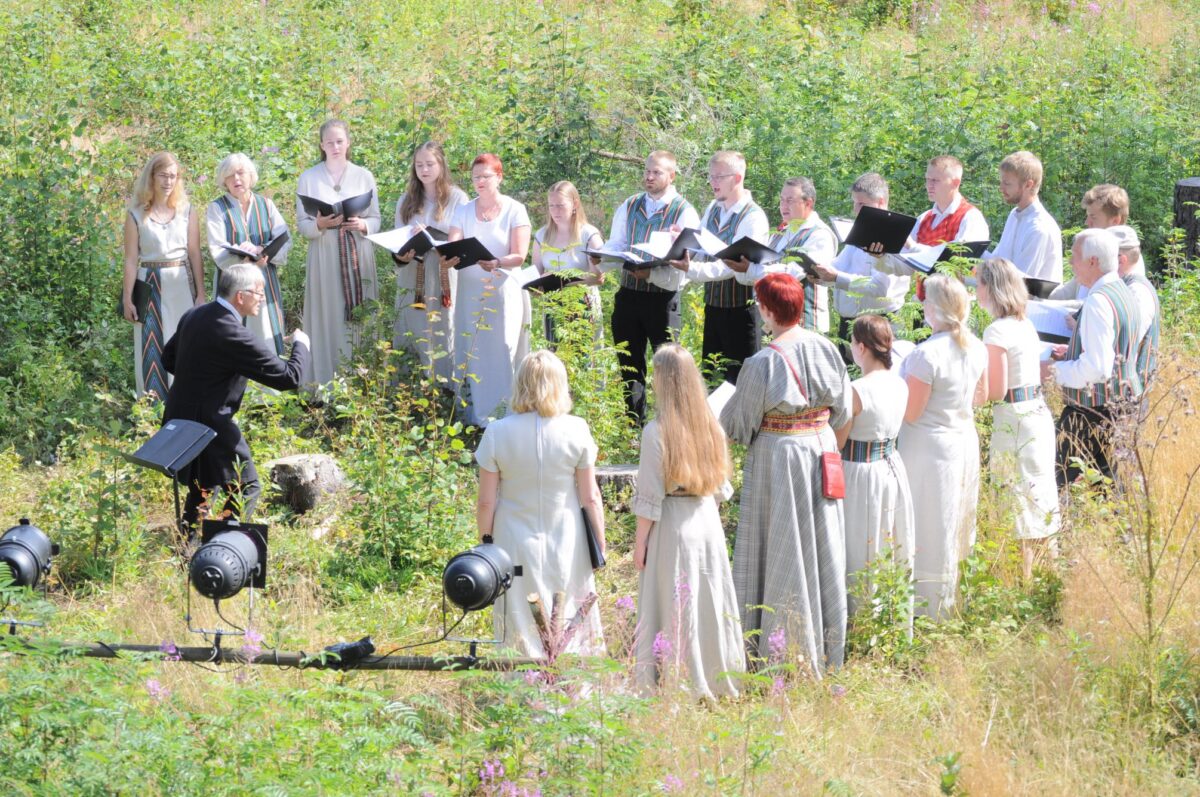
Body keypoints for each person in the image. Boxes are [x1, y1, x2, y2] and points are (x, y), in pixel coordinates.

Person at [720, 273, 852, 676]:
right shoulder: (827, 347)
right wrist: (827, 442)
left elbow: (738, 426)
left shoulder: (761, 363)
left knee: (782, 545)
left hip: (781, 458)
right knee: (821, 545)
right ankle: (826, 647)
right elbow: (846, 409)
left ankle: (778, 652)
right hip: (822, 446)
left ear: (765, 309)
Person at [474, 350, 605, 659]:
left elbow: (485, 501)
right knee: (573, 606)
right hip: (567, 536)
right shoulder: (577, 428)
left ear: (520, 384)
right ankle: (575, 684)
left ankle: (522, 686)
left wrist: (485, 544)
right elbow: (590, 497)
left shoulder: (497, 432)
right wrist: (600, 543)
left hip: (513, 540)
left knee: (517, 609)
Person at [632, 343, 744, 698]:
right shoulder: (710, 425)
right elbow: (723, 488)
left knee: (675, 605)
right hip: (707, 520)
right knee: (708, 603)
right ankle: (715, 676)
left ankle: (679, 682)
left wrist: (640, 544)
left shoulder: (657, 431)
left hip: (674, 523)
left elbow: (650, 495)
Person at [162, 264, 310, 530]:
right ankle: (223, 542)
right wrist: (301, 344)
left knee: (203, 487)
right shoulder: (233, 333)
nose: (262, 298)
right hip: (210, 423)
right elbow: (290, 377)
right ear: (240, 296)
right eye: (259, 292)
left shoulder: (194, 314)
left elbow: (169, 359)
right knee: (247, 485)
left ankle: (189, 547)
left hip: (180, 416)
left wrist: (204, 382)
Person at [898, 274, 987, 619]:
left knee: (928, 522)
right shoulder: (976, 346)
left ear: (933, 309)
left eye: (924, 302)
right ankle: (953, 603)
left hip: (928, 447)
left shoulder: (926, 354)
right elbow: (980, 397)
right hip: (962, 438)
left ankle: (925, 607)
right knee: (955, 521)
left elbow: (911, 411)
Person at [975, 258, 1060, 580]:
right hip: (1037, 412)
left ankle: (1021, 584)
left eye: (980, 284)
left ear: (991, 288)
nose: (977, 290)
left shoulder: (996, 330)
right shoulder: (1025, 323)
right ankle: (1048, 578)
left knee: (1017, 505)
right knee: (1040, 499)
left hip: (1013, 419)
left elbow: (995, 390)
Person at [600, 150, 700, 422]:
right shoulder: (630, 204)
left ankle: (671, 423)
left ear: (672, 175)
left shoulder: (684, 211)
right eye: (647, 171)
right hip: (629, 294)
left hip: (663, 298)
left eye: (656, 172)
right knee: (629, 362)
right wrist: (602, 256)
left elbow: (686, 263)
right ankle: (633, 424)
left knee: (668, 364)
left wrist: (652, 275)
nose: (649, 176)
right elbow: (617, 242)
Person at [1042, 229, 1141, 487]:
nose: (1071, 263)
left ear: (1093, 261)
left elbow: (1097, 368)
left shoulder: (1098, 300)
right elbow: (1115, 349)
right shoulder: (1122, 291)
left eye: (1074, 257)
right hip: (1118, 407)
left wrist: (1053, 371)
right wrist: (1072, 352)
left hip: (1091, 413)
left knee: (1063, 487)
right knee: (1107, 490)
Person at [836, 315, 915, 625]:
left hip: (860, 472)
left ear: (862, 347)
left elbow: (839, 440)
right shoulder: (899, 383)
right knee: (891, 541)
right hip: (892, 466)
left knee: (860, 545)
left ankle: (860, 621)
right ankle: (891, 619)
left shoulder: (856, 389)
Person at [444, 153, 533, 427]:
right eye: (475, 177)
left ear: (499, 177)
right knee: (472, 348)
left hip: (503, 289)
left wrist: (496, 262)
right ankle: (474, 417)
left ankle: (507, 416)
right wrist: (449, 255)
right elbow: (452, 245)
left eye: (486, 176)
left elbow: (519, 255)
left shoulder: (514, 209)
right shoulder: (463, 210)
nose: (480, 182)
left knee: (503, 350)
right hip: (470, 291)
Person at [670, 151, 770, 383]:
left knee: (741, 383)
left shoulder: (753, 216)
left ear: (737, 178)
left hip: (742, 312)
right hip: (714, 307)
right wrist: (679, 240)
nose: (712, 182)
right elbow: (701, 244)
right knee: (712, 378)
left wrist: (691, 269)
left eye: (719, 177)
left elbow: (732, 267)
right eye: (711, 176)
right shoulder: (713, 208)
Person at [296, 119, 382, 386]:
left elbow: (376, 217)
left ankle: (361, 381)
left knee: (358, 315)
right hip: (324, 252)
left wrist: (364, 224)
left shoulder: (363, 175)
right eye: (329, 142)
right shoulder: (308, 177)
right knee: (327, 314)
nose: (335, 146)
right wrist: (319, 224)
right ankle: (323, 382)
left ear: (348, 142)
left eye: (340, 141)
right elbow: (302, 224)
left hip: (357, 250)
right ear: (321, 145)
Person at [122, 151, 206, 399]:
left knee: (184, 342)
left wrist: (201, 293)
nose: (168, 181)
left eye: (173, 176)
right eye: (163, 175)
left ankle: (187, 400)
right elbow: (129, 259)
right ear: (152, 177)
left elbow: (194, 253)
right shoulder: (136, 215)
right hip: (148, 284)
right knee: (152, 343)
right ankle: (152, 405)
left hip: (181, 283)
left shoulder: (187, 211)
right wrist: (127, 298)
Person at [391, 141, 468, 383]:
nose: (424, 169)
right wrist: (400, 255)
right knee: (410, 330)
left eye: (430, 164)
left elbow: (463, 238)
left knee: (443, 330)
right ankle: (407, 395)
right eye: (419, 165)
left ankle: (444, 393)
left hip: (443, 274)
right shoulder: (406, 199)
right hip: (412, 275)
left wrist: (436, 236)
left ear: (441, 164)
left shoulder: (457, 198)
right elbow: (397, 240)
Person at [810, 173, 910, 355]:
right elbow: (839, 267)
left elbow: (880, 288)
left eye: (861, 204)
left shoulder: (896, 235)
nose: (855, 210)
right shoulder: (860, 231)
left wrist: (837, 277)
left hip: (879, 325)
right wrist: (820, 275)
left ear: (880, 202)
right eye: (854, 203)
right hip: (848, 325)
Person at [206, 153, 292, 356]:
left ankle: (271, 387)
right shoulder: (217, 208)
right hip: (233, 283)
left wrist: (264, 253)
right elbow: (217, 247)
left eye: (241, 173)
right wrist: (243, 261)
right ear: (223, 180)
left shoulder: (266, 205)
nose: (236, 179)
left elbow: (284, 239)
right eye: (230, 175)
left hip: (265, 281)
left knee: (267, 333)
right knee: (233, 338)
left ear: (250, 175)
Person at [737, 176, 838, 333]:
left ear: (808, 203)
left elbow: (793, 272)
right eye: (782, 199)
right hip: (775, 322)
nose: (783, 205)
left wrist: (751, 269)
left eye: (790, 200)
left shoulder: (819, 234)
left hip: (805, 325)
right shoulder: (780, 232)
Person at [530, 180, 604, 344]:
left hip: (583, 304)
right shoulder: (542, 235)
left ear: (575, 204)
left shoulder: (589, 234)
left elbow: (598, 277)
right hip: (553, 306)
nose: (555, 211)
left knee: (583, 360)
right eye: (551, 205)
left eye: (561, 205)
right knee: (555, 358)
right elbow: (536, 272)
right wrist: (536, 286)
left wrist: (562, 280)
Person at [1048, 184, 1139, 301]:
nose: (1087, 222)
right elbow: (1062, 295)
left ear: (1116, 220)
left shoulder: (1127, 262)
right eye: (1087, 216)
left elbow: (1111, 306)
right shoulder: (1093, 252)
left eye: (1093, 217)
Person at [983, 150, 1063, 283]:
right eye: (1001, 182)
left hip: (1034, 303)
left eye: (1007, 183)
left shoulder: (1040, 228)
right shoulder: (1014, 215)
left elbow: (1019, 284)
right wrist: (968, 252)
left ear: (1028, 185)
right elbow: (998, 261)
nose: (1001, 188)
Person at [1109, 225, 1159, 390]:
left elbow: (1129, 341)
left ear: (1121, 259)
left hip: (1129, 395)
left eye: (1104, 256)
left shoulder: (1138, 291)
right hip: (1118, 390)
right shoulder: (1124, 285)